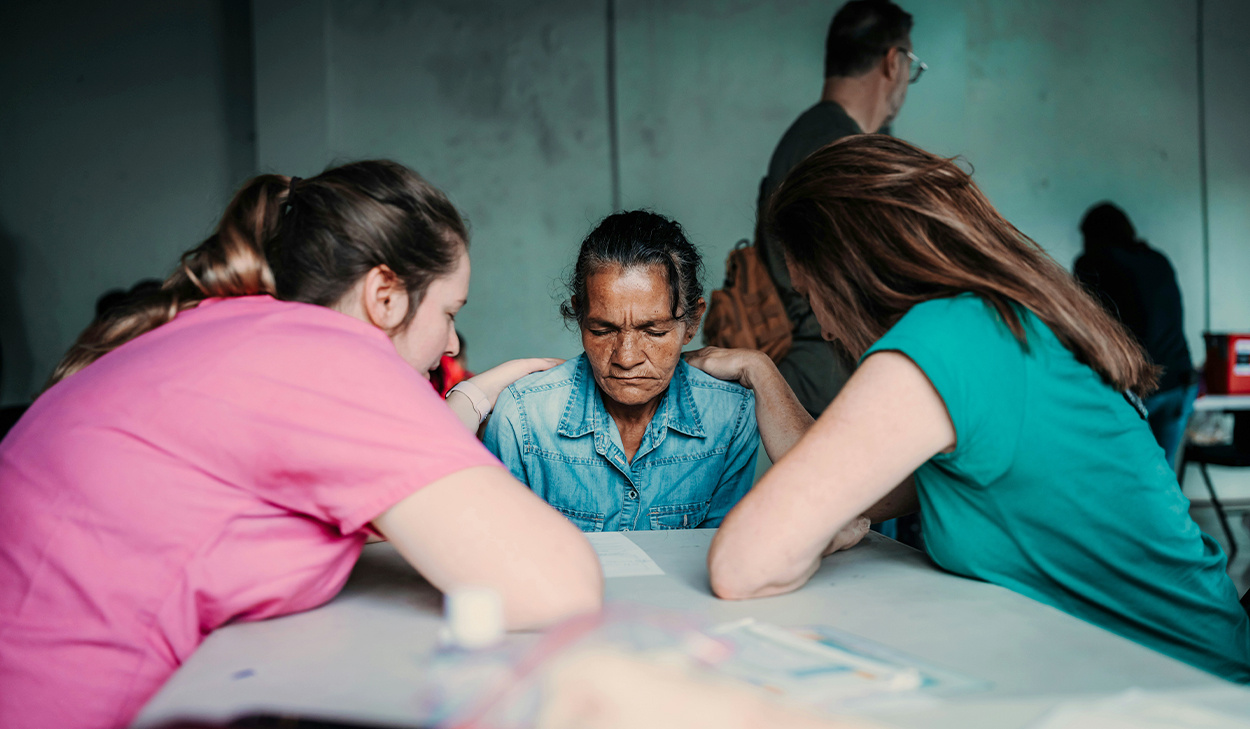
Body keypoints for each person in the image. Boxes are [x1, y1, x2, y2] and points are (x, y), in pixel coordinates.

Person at [0, 161, 603, 729]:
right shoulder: (327, 357)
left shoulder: (229, 331)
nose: (450, 343)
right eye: (449, 311)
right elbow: (554, 586)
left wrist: (475, 397)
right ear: (385, 295)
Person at [691, 136, 1250, 683]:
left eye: (811, 294)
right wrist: (762, 372)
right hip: (1138, 670)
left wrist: (804, 532)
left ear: (850, 275)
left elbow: (744, 566)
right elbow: (852, 489)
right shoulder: (999, 322)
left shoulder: (949, 339)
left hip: (1193, 694)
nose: (826, 325)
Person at [483, 211, 760, 532]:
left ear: (692, 322)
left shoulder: (731, 416)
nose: (626, 358)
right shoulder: (523, 417)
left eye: (654, 331)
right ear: (581, 316)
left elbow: (721, 549)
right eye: (602, 330)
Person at [755, 0, 921, 418]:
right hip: (838, 373)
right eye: (911, 66)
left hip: (822, 371)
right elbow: (874, 282)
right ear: (893, 62)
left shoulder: (810, 137)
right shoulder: (841, 152)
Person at [1074, 202, 1197, 472]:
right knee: (1160, 479)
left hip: (1134, 385)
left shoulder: (1094, 263)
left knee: (1119, 477)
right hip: (1180, 382)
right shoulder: (1158, 260)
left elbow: (1084, 330)